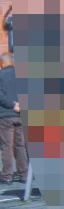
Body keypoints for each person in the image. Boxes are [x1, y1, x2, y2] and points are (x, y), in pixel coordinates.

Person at [0, 53, 25, 184]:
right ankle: (24, 174)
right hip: (20, 114)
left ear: (2, 63)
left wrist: (12, 105)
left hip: (5, 115)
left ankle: (7, 176)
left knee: (6, 146)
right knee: (20, 145)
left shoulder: (0, 75)